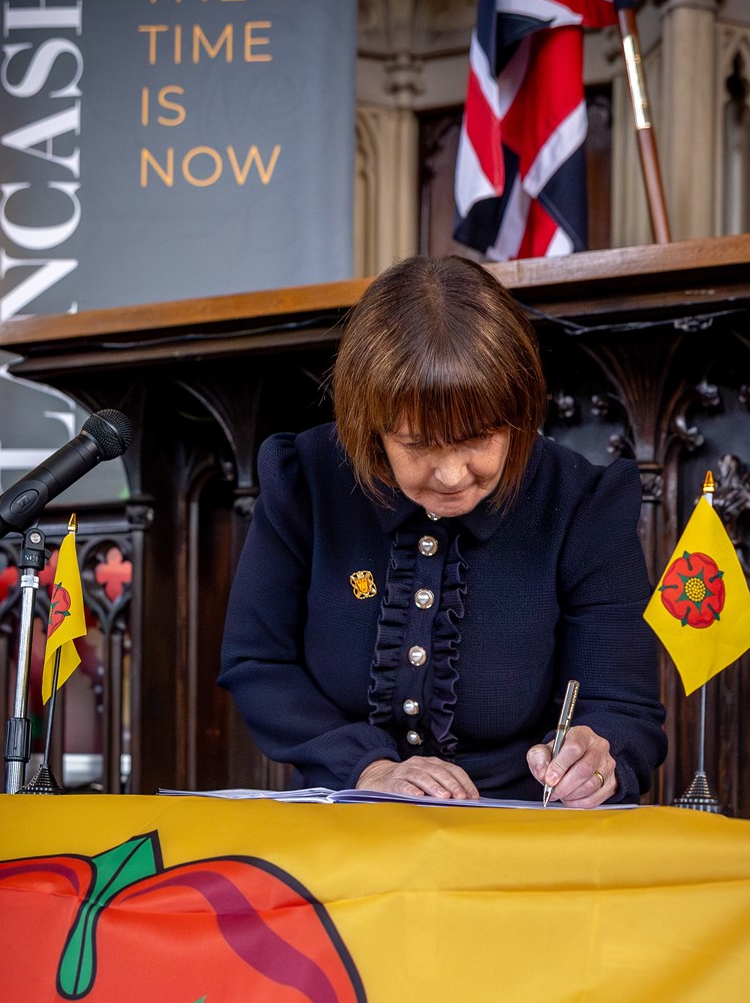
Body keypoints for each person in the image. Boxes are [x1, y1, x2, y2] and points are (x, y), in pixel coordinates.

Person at [219, 256, 667, 805]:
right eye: (420, 444)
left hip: (521, 836)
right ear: (368, 426)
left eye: (479, 438)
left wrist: (596, 759)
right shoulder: (305, 481)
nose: (452, 474)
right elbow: (257, 663)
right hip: (340, 826)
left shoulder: (580, 504)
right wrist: (368, 768)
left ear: (519, 413)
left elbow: (623, 706)